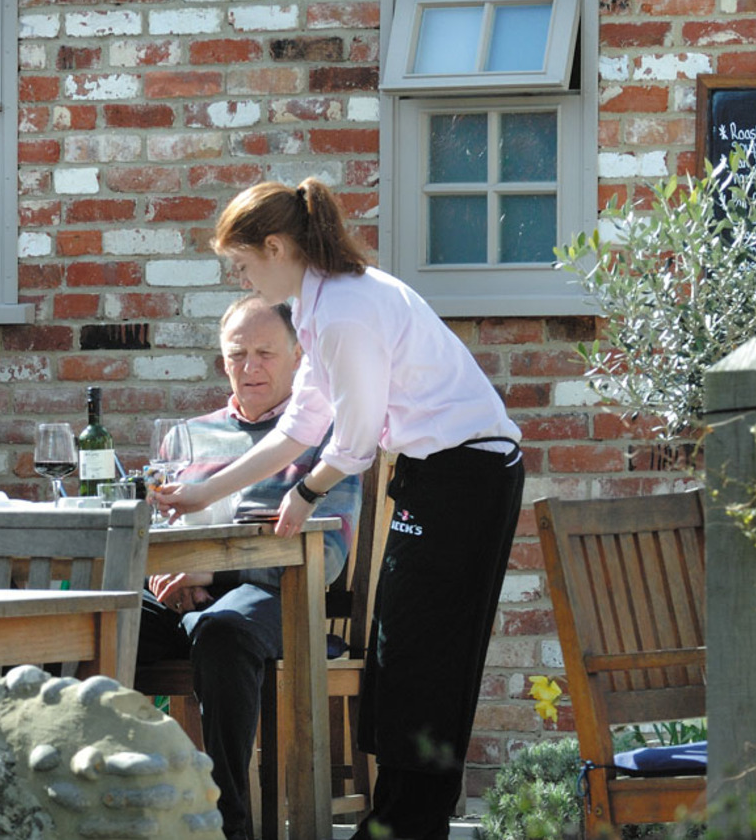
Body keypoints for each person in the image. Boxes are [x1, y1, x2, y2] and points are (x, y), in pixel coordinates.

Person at [155, 179, 525, 840]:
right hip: (434, 472)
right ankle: (399, 821)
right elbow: (300, 426)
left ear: (276, 246)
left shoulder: (349, 308)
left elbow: (351, 442)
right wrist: (203, 493)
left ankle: (408, 824)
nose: (236, 274)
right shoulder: (322, 306)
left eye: (239, 262)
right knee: (399, 654)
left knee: (425, 655)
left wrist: (302, 495)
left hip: (467, 475)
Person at [137, 293, 362, 840]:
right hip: (181, 600)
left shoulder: (326, 439)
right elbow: (161, 529)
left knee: (223, 629)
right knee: (99, 617)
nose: (250, 367)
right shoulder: (187, 435)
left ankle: (226, 825)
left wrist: (212, 574)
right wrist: (164, 575)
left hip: (279, 603)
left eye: (265, 352)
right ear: (222, 360)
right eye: (238, 354)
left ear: (298, 357)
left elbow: (326, 557)